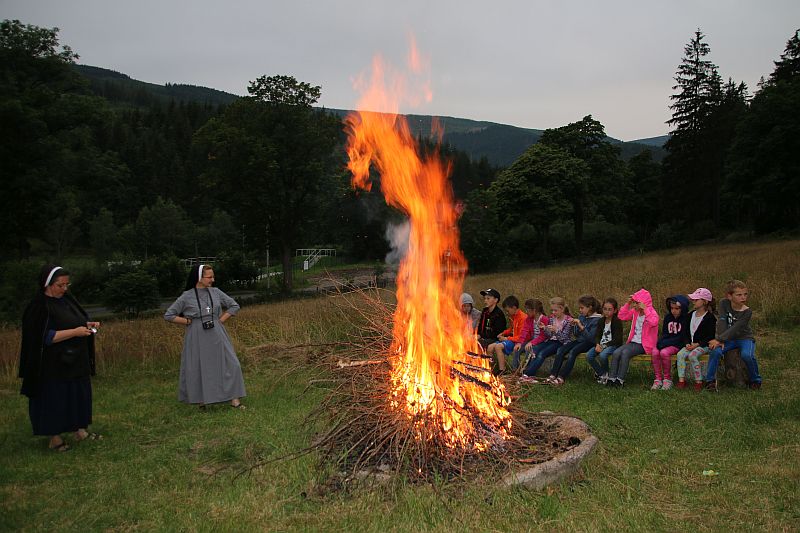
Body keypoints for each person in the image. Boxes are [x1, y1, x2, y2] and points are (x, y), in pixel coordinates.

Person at [19, 265, 102, 452]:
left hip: (75, 361)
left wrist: (87, 324)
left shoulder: (67, 301)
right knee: (55, 400)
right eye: (60, 285)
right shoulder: (39, 307)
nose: (64, 289)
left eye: (67, 284)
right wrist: (74, 332)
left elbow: (74, 320)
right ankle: (54, 438)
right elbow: (43, 337)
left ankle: (79, 431)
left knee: (77, 397)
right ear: (48, 284)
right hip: (52, 365)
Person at [164, 264, 246, 409]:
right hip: (196, 334)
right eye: (209, 277)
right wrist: (187, 321)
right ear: (199, 278)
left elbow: (234, 305)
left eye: (213, 276)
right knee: (199, 367)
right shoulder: (187, 296)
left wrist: (220, 320)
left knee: (231, 364)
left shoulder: (216, 292)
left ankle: (235, 400)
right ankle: (202, 400)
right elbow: (169, 315)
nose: (212, 280)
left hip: (217, 332)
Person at [704, 279, 762, 391]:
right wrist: (720, 340)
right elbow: (722, 321)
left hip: (744, 338)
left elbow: (736, 328)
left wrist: (720, 339)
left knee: (747, 355)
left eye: (745, 294)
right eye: (739, 295)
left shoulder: (747, 312)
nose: (743, 297)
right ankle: (710, 381)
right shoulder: (724, 303)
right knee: (715, 351)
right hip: (728, 339)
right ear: (729, 296)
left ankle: (755, 380)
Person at [606, 289, 659, 388]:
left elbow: (654, 322)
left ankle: (620, 380)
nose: (634, 305)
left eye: (636, 303)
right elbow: (622, 316)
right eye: (633, 303)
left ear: (643, 303)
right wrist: (627, 303)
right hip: (633, 342)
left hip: (644, 345)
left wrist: (646, 310)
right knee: (616, 352)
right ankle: (611, 379)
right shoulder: (635, 312)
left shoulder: (651, 312)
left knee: (625, 353)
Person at [549, 295, 603, 385]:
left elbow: (591, 338)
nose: (580, 310)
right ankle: (553, 375)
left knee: (573, 352)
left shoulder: (597, 319)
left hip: (590, 343)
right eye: (579, 308)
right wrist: (574, 326)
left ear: (590, 308)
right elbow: (577, 334)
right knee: (561, 350)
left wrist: (581, 326)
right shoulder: (582, 316)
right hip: (580, 340)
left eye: (582, 308)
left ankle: (561, 377)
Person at [519, 297, 573, 384]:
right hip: (551, 341)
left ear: (562, 309)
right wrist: (544, 328)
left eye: (555, 310)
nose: (553, 313)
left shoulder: (568, 321)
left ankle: (528, 375)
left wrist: (556, 330)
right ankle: (527, 375)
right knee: (535, 350)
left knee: (542, 354)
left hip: (561, 343)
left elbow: (564, 338)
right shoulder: (551, 319)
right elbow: (549, 335)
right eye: (552, 310)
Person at [676, 288, 717, 391]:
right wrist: (686, 343)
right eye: (693, 299)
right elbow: (684, 332)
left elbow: (710, 336)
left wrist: (698, 344)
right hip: (690, 345)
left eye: (696, 299)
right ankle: (681, 380)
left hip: (704, 345)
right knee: (680, 354)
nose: (693, 301)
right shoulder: (689, 315)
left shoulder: (710, 318)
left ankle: (698, 381)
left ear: (705, 301)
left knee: (693, 355)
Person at [650, 295, 690, 390]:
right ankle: (658, 379)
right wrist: (660, 342)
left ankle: (667, 379)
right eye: (672, 308)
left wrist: (665, 344)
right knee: (655, 352)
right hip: (667, 342)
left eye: (677, 308)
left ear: (682, 308)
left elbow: (682, 337)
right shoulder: (668, 317)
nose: (674, 311)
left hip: (678, 344)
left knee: (664, 353)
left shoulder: (686, 319)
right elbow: (665, 333)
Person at [487, 295, 527, 374]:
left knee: (498, 347)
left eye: (507, 310)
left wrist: (506, 339)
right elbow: (511, 329)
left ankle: (502, 370)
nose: (506, 312)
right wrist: (503, 333)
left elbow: (521, 337)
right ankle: (490, 369)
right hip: (512, 339)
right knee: (490, 347)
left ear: (514, 308)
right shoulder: (512, 316)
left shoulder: (523, 318)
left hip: (517, 341)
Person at [588, 298, 623, 384]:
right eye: (605, 309)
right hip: (601, 344)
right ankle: (602, 374)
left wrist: (604, 346)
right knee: (589, 355)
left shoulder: (617, 322)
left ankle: (606, 372)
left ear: (615, 311)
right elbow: (598, 335)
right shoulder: (601, 321)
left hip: (613, 345)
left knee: (603, 355)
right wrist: (597, 344)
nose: (607, 311)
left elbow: (617, 339)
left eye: (609, 309)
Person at [511, 299, 549, 372]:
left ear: (534, 310)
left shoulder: (544, 319)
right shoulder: (529, 319)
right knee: (516, 348)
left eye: (527, 310)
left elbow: (543, 336)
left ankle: (526, 370)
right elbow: (524, 331)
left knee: (529, 349)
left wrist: (531, 342)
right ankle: (515, 369)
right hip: (532, 340)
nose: (526, 312)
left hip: (543, 342)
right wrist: (519, 343)